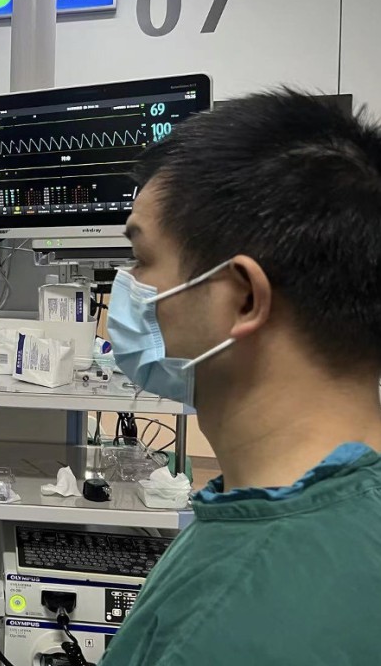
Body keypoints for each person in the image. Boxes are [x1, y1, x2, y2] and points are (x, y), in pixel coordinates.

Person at [100, 90, 381, 665]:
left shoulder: (240, 624)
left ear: (244, 296)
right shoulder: (344, 512)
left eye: (142, 260)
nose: (125, 291)